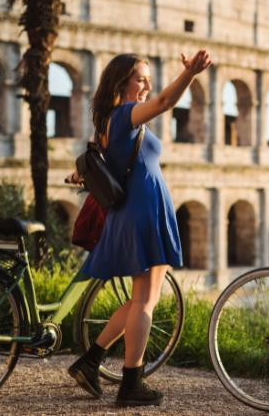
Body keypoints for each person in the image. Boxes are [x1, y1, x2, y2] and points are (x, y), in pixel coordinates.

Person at [66, 50, 212, 406]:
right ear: (121, 83)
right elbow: (164, 102)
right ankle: (131, 385)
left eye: (147, 77)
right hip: (142, 214)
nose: (147, 84)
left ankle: (90, 361)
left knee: (137, 300)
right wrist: (190, 74)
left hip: (138, 212)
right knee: (146, 302)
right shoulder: (124, 114)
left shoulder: (108, 122)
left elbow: (104, 165)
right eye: (140, 78)